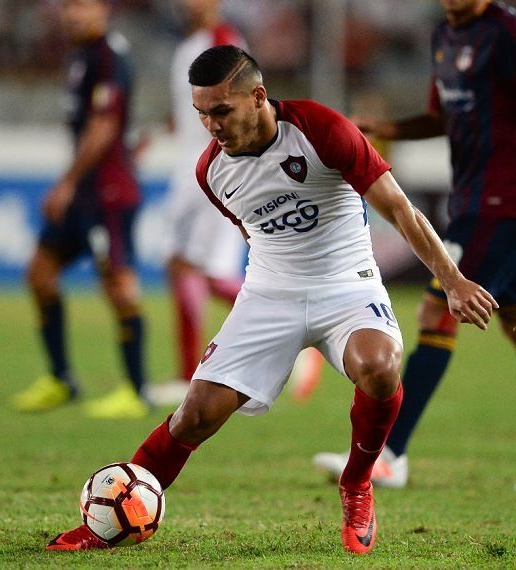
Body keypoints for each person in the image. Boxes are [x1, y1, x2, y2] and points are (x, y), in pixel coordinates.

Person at [45, 45, 496, 555]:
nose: (210, 125)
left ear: (258, 96)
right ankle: (112, 516)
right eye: (201, 114)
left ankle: (357, 483)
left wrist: (453, 280)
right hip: (269, 293)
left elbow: (400, 208)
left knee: (380, 365)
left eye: (221, 111)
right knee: (194, 416)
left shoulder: (322, 130)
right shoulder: (212, 172)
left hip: (348, 283)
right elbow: (255, 234)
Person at [313, 0, 516, 489]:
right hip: (473, 195)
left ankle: (391, 453)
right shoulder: (444, 35)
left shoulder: (505, 33)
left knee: (436, 310)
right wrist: (387, 129)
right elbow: (441, 116)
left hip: (500, 200)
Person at [152, 0, 324, 407]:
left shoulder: (222, 41)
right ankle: (300, 332)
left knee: (194, 268)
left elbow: (243, 107)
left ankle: (302, 330)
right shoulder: (189, 45)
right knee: (186, 268)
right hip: (187, 168)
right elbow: (190, 109)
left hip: (215, 168)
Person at [11, 0, 149, 419]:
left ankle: (136, 390)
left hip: (105, 194)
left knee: (118, 285)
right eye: (69, 6)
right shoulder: (81, 55)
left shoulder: (110, 56)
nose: (74, 14)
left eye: (84, 6)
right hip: (85, 192)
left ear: (105, 10)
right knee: (40, 274)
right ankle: (61, 378)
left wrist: (67, 181)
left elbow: (105, 125)